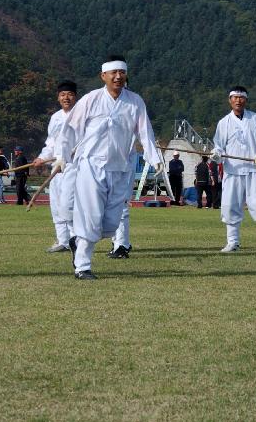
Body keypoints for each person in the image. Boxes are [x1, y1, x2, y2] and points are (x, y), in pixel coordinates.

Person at [54, 55, 162, 280]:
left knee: (112, 223)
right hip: (92, 167)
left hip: (121, 168)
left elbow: (145, 132)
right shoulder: (91, 99)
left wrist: (155, 157)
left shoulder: (135, 101)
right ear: (103, 76)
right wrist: (62, 156)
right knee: (91, 218)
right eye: (113, 72)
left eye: (121, 72)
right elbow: (70, 129)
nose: (118, 76)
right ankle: (82, 266)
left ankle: (78, 240)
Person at [211, 86, 256, 253]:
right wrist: (216, 154)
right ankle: (233, 242)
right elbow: (219, 146)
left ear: (246, 100)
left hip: (254, 170)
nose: (238, 100)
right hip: (233, 171)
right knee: (229, 206)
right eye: (235, 97)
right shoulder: (223, 123)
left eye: (241, 97)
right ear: (230, 100)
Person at [31, 81, 78, 253]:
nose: (66, 97)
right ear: (58, 98)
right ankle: (63, 241)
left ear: (75, 96)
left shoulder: (82, 115)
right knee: (56, 204)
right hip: (56, 168)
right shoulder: (55, 117)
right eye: (63, 94)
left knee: (69, 205)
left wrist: (70, 155)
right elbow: (50, 144)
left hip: (74, 166)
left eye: (70, 94)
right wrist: (41, 158)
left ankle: (76, 239)